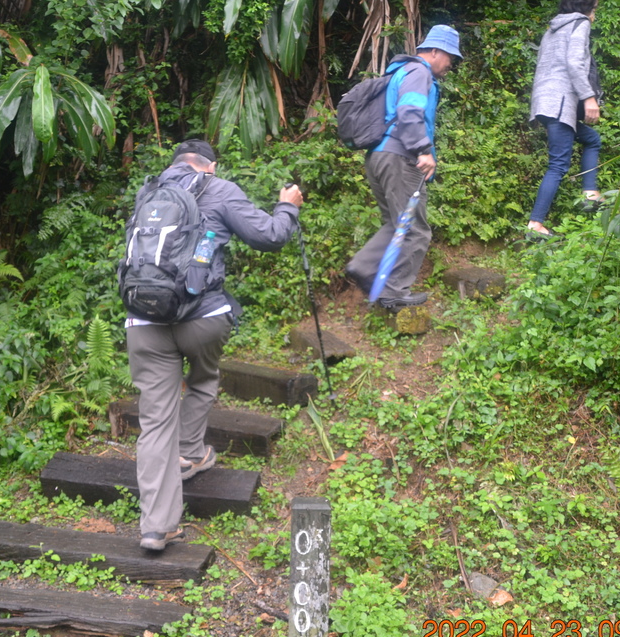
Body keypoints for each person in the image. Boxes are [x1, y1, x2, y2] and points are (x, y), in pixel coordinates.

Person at [125, 139, 303, 551]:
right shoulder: (218, 188)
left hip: (143, 320)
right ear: (212, 166)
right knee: (203, 377)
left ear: (174, 165)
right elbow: (271, 236)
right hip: (202, 318)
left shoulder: (147, 193)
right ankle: (190, 451)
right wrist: (287, 204)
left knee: (154, 422)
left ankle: (156, 526)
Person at [345, 25, 462, 310]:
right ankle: (394, 290)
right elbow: (409, 112)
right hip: (401, 159)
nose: (451, 65)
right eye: (450, 58)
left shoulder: (399, 71)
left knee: (397, 224)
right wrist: (423, 150)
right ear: (434, 52)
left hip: (378, 157)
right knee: (415, 230)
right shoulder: (419, 72)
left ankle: (364, 267)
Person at [525, 0, 605, 241]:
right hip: (559, 103)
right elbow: (574, 63)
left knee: (591, 139)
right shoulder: (579, 23)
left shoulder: (553, 28)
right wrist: (589, 98)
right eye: (595, 7)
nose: (595, 13)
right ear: (588, 6)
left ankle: (590, 193)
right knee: (558, 165)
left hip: (545, 102)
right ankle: (535, 224)